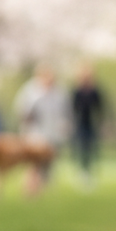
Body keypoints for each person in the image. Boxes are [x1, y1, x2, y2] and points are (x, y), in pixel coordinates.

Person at [14, 65, 70, 196]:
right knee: (34, 164)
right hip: (34, 134)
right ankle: (30, 188)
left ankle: (44, 187)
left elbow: (66, 113)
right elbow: (21, 111)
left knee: (48, 164)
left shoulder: (60, 92)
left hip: (53, 135)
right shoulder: (30, 91)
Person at [71, 63, 107, 190]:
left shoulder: (95, 92)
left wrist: (103, 124)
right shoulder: (77, 92)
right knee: (81, 149)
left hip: (92, 125)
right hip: (80, 125)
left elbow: (101, 109)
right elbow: (73, 109)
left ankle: (90, 172)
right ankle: (82, 172)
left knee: (92, 149)